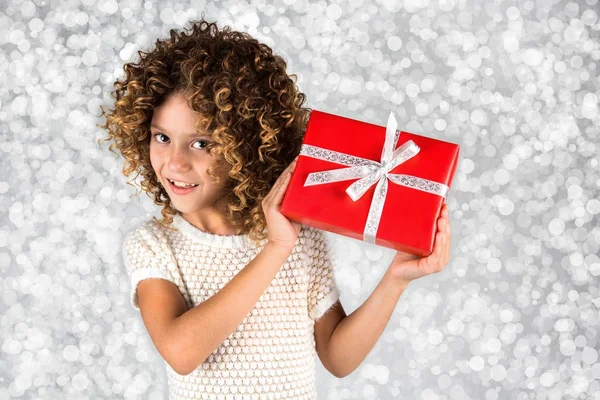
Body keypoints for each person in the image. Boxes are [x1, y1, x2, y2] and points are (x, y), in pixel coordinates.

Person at [98, 15, 452, 400]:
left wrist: (396, 278)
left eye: (202, 143)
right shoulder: (154, 244)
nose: (175, 162)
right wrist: (275, 249)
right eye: (162, 137)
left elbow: (337, 357)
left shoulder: (300, 236)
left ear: (247, 147)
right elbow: (182, 352)